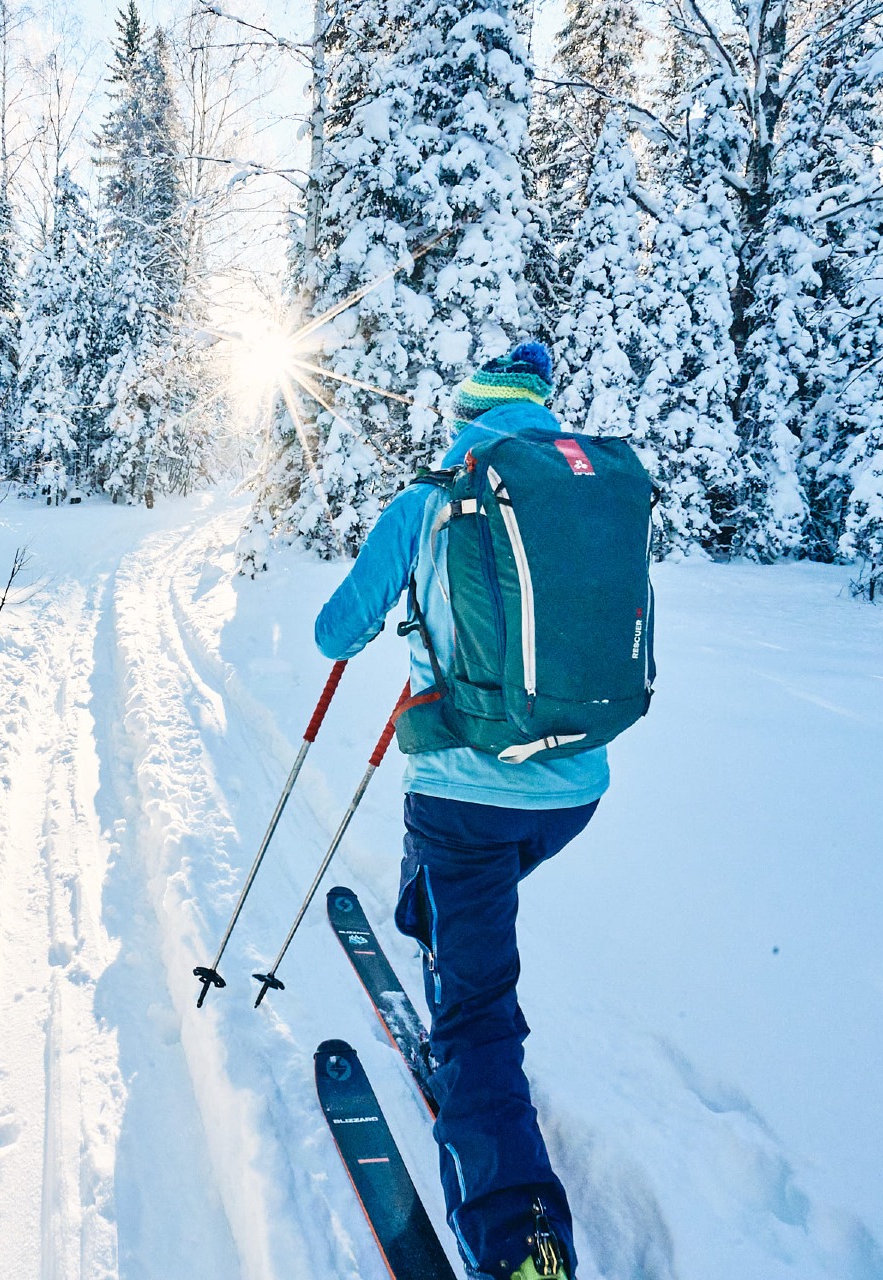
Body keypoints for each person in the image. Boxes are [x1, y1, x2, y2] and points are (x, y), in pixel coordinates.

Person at [313, 341, 601, 1280]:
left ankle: (521, 1248)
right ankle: (439, 929)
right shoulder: (584, 494)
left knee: (477, 1017)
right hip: (575, 791)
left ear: (467, 417)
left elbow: (334, 630)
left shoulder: (429, 502)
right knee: (461, 892)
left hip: (463, 797)